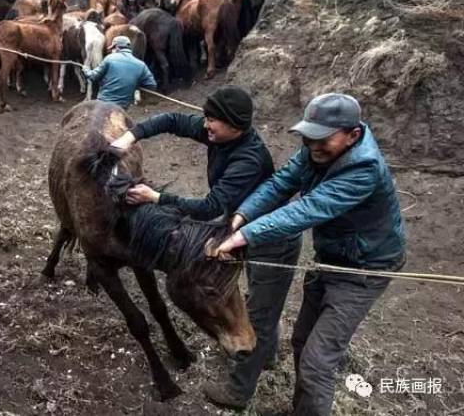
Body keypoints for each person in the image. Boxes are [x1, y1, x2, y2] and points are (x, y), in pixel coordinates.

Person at [206, 93, 406, 415]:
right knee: (301, 340)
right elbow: (281, 183)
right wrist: (241, 216)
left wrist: (244, 235)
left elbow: (306, 209)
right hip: (331, 257)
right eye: (307, 136)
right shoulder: (318, 149)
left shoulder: (364, 169)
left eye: (321, 138)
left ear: (353, 135)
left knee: (317, 363)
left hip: (364, 270)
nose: (312, 145)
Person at [110, 85, 302, 409]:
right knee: (255, 297)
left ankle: (239, 391)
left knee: (260, 311)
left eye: (213, 121)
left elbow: (209, 206)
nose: (205, 125)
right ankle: (264, 355)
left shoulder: (248, 159)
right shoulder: (219, 134)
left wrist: (156, 198)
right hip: (243, 228)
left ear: (236, 127)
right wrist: (130, 137)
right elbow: (172, 120)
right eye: (206, 117)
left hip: (273, 239)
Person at [82, 35, 156, 109]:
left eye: (112, 49)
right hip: (122, 107)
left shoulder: (109, 59)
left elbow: (93, 76)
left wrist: (86, 69)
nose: (111, 51)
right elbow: (151, 85)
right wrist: (135, 85)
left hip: (104, 103)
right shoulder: (141, 65)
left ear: (117, 47)